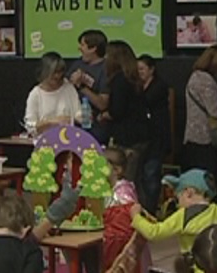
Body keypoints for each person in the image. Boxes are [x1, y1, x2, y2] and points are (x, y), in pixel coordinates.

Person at [130, 169, 217, 273]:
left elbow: (155, 233)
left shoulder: (183, 215)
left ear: (188, 193)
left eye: (178, 199)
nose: (178, 205)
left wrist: (136, 217)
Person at [100, 41, 151, 192]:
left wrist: (104, 115)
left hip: (127, 139)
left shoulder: (119, 80)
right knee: (137, 180)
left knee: (125, 181)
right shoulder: (134, 79)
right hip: (141, 136)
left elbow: (118, 110)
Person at [182, 45, 217, 176]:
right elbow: (215, 111)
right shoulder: (206, 81)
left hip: (192, 137)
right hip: (204, 139)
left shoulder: (195, 76)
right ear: (215, 63)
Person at [137, 54, 171, 215]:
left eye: (142, 69)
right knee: (142, 174)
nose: (139, 72)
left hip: (157, 135)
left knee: (151, 173)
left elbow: (146, 102)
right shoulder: (138, 86)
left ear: (151, 70)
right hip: (144, 135)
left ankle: (150, 209)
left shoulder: (159, 86)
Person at [67, 29, 109, 144]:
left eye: (83, 45)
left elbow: (102, 104)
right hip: (73, 123)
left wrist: (82, 87)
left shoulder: (106, 69)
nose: (79, 48)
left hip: (95, 127)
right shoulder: (77, 64)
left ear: (93, 48)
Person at [24, 52, 81, 135]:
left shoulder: (68, 88)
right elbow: (30, 126)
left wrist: (82, 117)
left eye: (60, 72)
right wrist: (52, 122)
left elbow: (78, 113)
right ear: (45, 72)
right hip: (44, 142)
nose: (57, 76)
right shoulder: (36, 94)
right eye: (54, 72)